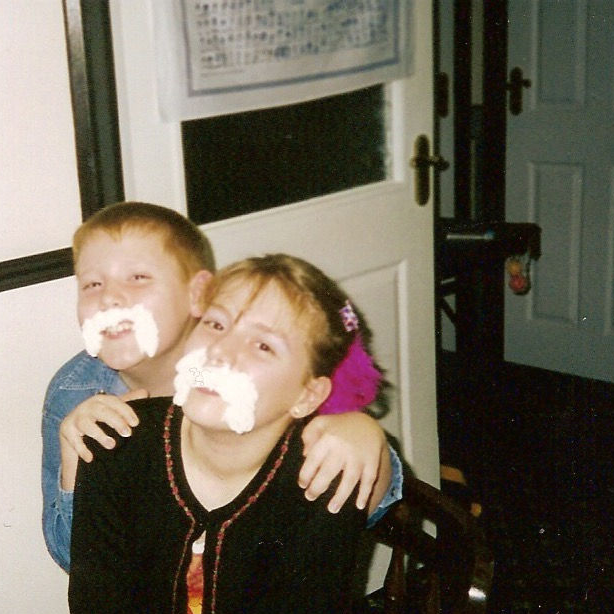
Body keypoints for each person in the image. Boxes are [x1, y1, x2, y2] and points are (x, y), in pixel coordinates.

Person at [60, 254, 386, 614]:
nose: (221, 351)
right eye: (215, 324)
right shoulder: (114, 445)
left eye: (262, 345)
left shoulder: (324, 478)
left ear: (308, 395)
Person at [41, 202, 398, 572]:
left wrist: (363, 432)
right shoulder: (74, 392)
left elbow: (367, 507)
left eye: (138, 278)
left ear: (198, 294)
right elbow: (73, 559)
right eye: (92, 284)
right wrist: (74, 468)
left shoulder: (245, 383)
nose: (110, 297)